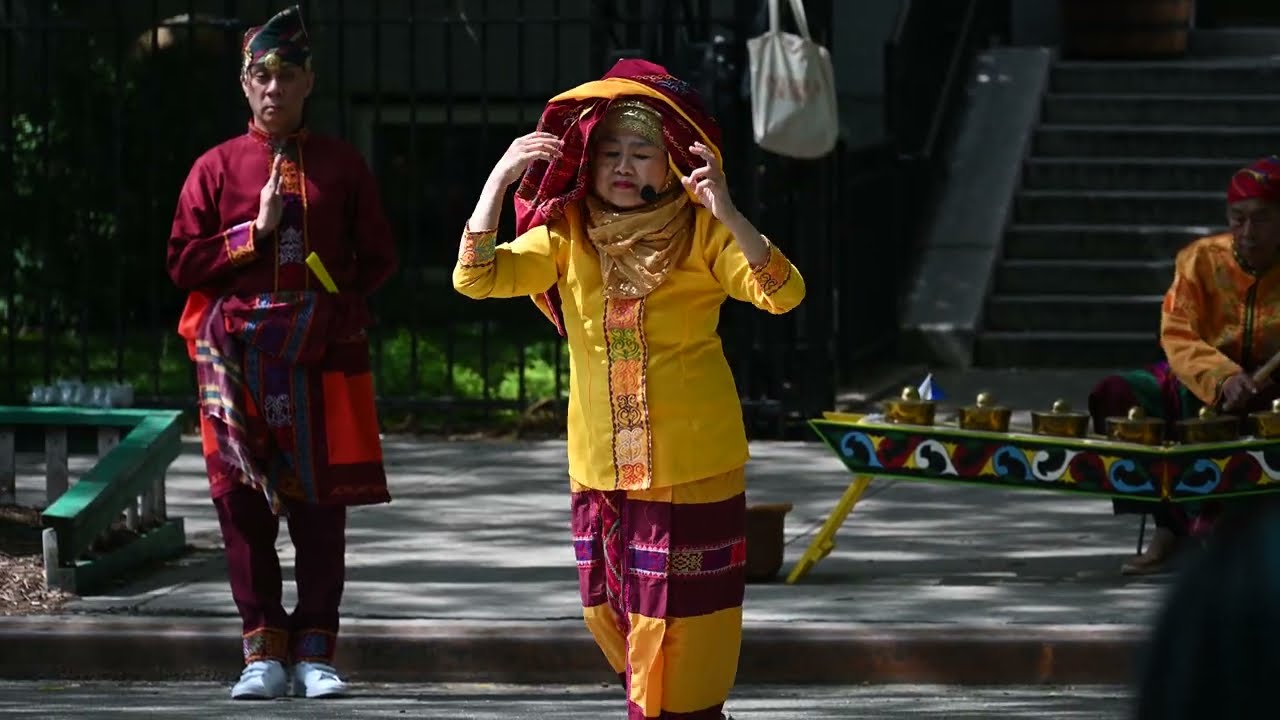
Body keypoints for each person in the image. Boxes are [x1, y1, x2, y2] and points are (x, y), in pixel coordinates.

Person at [452, 58, 806, 720]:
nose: (623, 164)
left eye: (641, 151)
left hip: (691, 463)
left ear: (671, 162)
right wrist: (500, 182)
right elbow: (477, 278)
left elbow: (783, 293)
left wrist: (726, 209)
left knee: (686, 630)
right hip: (601, 464)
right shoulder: (567, 232)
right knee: (607, 609)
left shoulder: (704, 233)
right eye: (610, 150)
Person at [165, 5, 398, 700]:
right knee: (243, 510)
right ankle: (261, 652)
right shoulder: (215, 168)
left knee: (322, 514)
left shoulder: (342, 165)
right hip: (235, 359)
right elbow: (182, 262)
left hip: (321, 358)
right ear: (243, 85)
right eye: (260, 75)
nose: (273, 88)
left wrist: (339, 305)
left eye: (286, 74)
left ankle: (316, 651)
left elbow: (379, 256)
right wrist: (252, 233)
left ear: (308, 82)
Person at [1089, 155, 1280, 575]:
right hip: (1204, 375)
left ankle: (1247, 534)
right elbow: (1177, 332)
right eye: (1238, 218)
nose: (1248, 233)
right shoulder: (1199, 260)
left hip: (1274, 387)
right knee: (1119, 393)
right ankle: (1171, 525)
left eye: (1262, 219)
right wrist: (1223, 376)